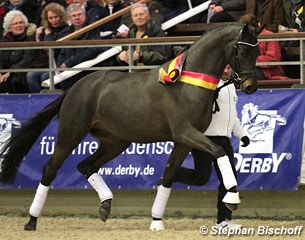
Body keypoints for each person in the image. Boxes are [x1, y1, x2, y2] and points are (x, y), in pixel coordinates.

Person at [171, 65, 250, 230]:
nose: (226, 70)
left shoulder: (231, 87)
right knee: (201, 177)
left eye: (229, 67)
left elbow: (232, 115)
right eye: (224, 66)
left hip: (224, 140)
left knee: (229, 182)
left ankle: (224, 221)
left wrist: (242, 134)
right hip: (204, 139)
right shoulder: (208, 84)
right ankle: (172, 174)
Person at [55, 3, 110, 90]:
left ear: (85, 15)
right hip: (68, 72)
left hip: (86, 71)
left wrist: (68, 64)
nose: (77, 18)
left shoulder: (92, 28)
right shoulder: (67, 33)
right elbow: (62, 53)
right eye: (74, 16)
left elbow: (92, 50)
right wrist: (59, 67)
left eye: (79, 14)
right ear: (69, 18)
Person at [26, 2, 69, 93]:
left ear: (61, 16)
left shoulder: (66, 30)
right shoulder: (44, 30)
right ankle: (37, 101)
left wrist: (48, 35)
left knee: (45, 76)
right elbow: (42, 52)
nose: (54, 20)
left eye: (56, 17)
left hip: (58, 64)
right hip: (46, 64)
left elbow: (54, 49)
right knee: (30, 76)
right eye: (50, 18)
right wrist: (37, 37)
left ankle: (49, 102)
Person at [0, 10, 47, 93]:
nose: (19, 25)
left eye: (21, 22)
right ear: (9, 27)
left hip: (24, 71)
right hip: (10, 72)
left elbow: (27, 59)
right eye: (15, 23)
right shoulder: (5, 40)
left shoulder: (30, 37)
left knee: (13, 81)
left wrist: (10, 72)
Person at [115, 2, 170, 67]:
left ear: (148, 15)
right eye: (135, 15)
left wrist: (140, 56)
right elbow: (125, 54)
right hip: (131, 72)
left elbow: (163, 56)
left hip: (151, 72)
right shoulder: (131, 33)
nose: (139, 17)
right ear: (132, 18)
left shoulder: (156, 31)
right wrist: (120, 58)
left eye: (141, 14)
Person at [239, 14, 288, 80]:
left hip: (269, 71)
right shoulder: (242, 38)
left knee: (250, 76)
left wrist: (252, 60)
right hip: (249, 69)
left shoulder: (269, 36)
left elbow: (273, 59)